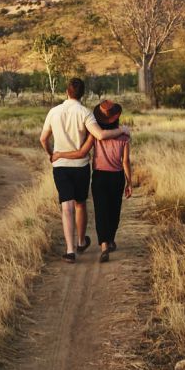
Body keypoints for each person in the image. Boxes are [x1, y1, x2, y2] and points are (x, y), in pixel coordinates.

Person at [39, 77, 128, 263]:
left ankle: (70, 251)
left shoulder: (54, 112)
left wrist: (51, 154)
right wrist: (122, 131)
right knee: (80, 204)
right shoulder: (86, 113)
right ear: (83, 94)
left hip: (60, 166)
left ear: (66, 92)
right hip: (80, 167)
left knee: (66, 206)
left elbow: (43, 138)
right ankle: (81, 241)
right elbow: (101, 135)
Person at [72, 99, 131, 262]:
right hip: (117, 176)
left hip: (99, 176)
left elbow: (83, 150)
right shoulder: (124, 136)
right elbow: (125, 161)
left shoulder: (95, 136)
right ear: (117, 117)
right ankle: (111, 239)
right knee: (114, 210)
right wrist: (129, 182)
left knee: (101, 211)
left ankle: (104, 245)